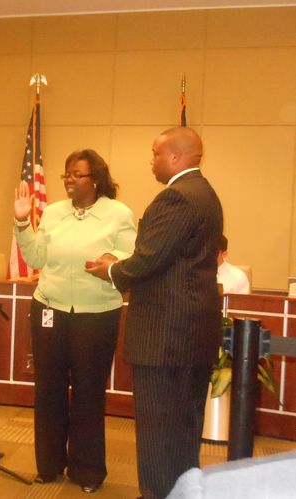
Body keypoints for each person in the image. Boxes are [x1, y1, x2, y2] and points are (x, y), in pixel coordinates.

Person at [85, 127, 223, 499]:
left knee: (159, 433)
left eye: (155, 153)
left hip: (166, 339)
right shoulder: (206, 194)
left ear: (175, 157)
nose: (151, 161)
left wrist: (111, 269)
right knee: (182, 432)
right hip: (189, 336)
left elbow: (147, 261)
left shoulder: (176, 198)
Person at [14, 149, 136, 493]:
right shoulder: (53, 213)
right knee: (48, 389)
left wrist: (111, 261)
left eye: (76, 174)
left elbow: (129, 258)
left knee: (88, 392)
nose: (69, 180)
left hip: (96, 315)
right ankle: (49, 465)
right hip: (49, 308)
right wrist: (24, 223)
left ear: (95, 179)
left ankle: (88, 471)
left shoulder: (118, 214)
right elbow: (36, 256)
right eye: (66, 174)